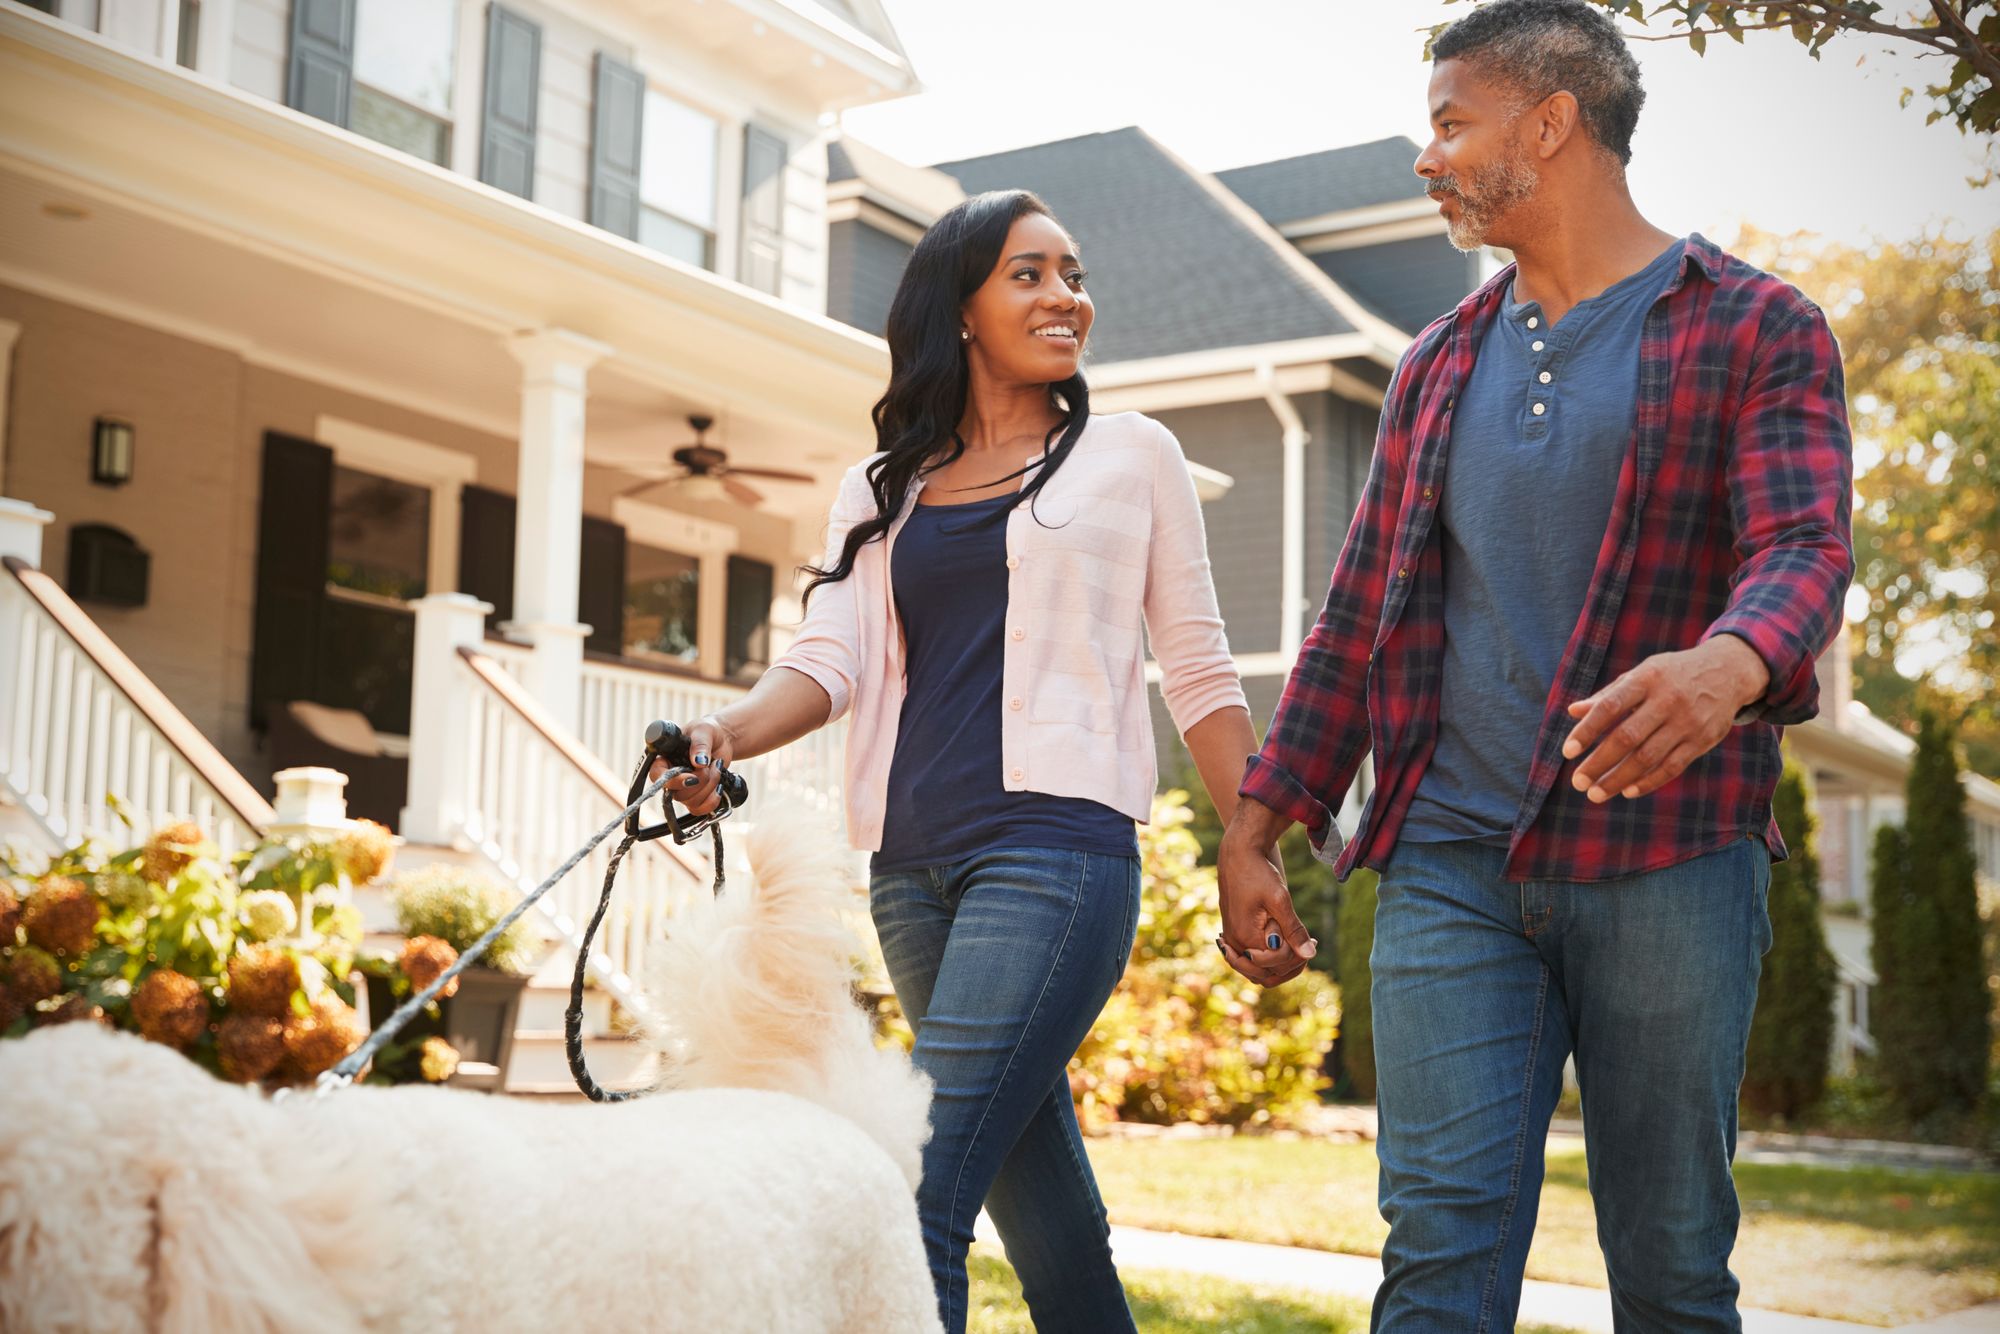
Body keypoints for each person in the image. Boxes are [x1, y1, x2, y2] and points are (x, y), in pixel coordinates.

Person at [1213, 1, 1854, 1329]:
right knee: (1438, 1255)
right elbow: (1352, 619)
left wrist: (1728, 664)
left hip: (1670, 858)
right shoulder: (1437, 365)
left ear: (1551, 123)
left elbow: (1802, 550)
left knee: (1671, 1260)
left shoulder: (1755, 326)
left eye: (1451, 122)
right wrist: (1257, 825)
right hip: (1451, 861)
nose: (1426, 156)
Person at [665, 188, 1256, 1334]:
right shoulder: (880, 487)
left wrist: (1251, 838)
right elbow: (826, 659)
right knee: (1041, 1209)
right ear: (962, 308)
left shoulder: (1131, 455)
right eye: (1027, 273)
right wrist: (723, 735)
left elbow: (1197, 666)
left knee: (913, 1188)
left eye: (1071, 272)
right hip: (912, 870)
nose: (1064, 295)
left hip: (1054, 855)